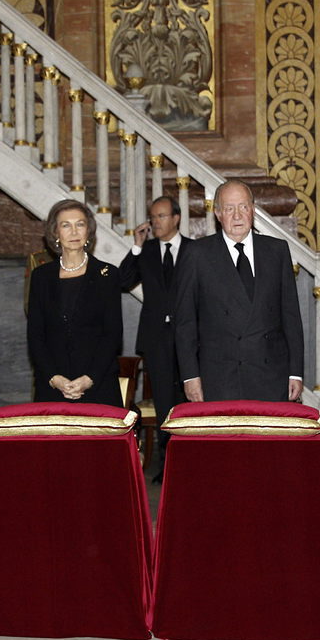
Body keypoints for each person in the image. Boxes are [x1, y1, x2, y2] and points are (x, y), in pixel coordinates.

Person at [174, 179, 303, 402]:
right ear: (217, 213)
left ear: (253, 210)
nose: (237, 216)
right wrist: (190, 376)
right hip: (219, 377)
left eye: (243, 207)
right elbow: (185, 322)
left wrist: (296, 371)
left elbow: (291, 316)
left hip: (270, 375)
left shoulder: (277, 251)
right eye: (229, 208)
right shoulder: (197, 254)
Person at [119, 196, 195, 475]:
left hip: (189, 339)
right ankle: (167, 465)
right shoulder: (147, 250)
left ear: (176, 218)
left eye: (161, 216)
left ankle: (189, 460)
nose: (155, 222)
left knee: (187, 400)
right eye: (152, 217)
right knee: (164, 401)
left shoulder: (194, 249)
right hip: (156, 340)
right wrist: (136, 247)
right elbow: (123, 281)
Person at [27, 199, 123, 407]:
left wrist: (89, 379)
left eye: (79, 224)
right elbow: (35, 335)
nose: (73, 232)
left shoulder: (107, 275)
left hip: (98, 386)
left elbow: (113, 334)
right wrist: (54, 378)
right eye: (65, 225)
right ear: (55, 233)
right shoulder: (41, 277)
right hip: (52, 387)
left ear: (88, 231)